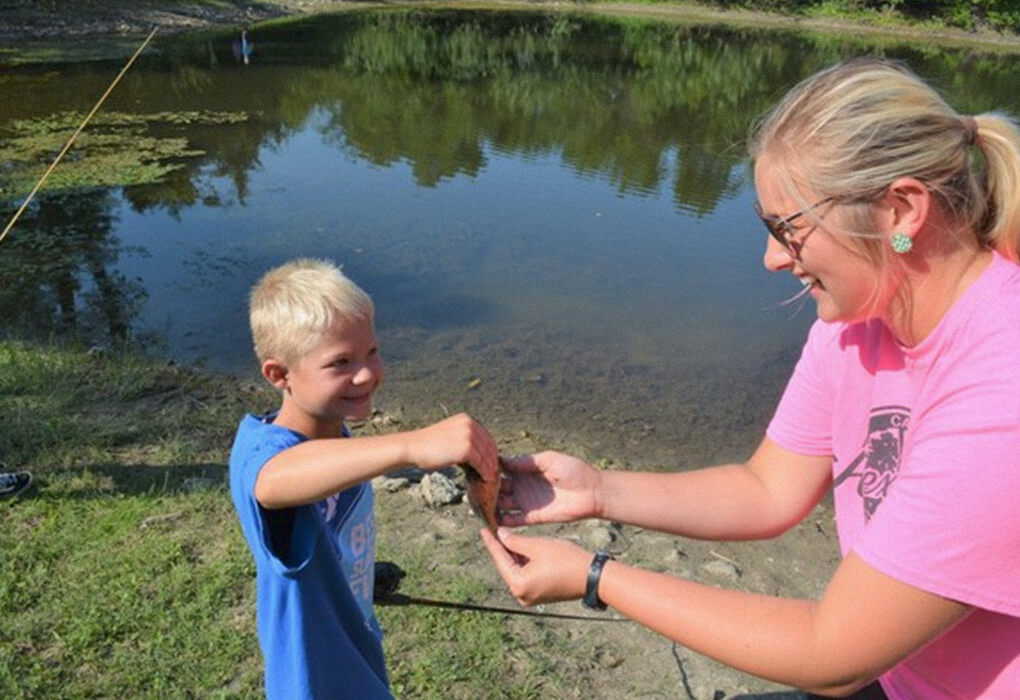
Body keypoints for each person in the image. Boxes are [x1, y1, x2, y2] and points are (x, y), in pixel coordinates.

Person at [481, 57, 1020, 698]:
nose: (770, 259)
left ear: (901, 209)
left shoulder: (1003, 383)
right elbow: (767, 489)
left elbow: (833, 652)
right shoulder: (857, 322)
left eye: (787, 230)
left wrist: (596, 576)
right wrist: (597, 490)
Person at [229, 258, 499, 699]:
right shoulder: (263, 454)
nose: (368, 373)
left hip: (360, 660)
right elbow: (272, 482)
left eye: (372, 351)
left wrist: (358, 576)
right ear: (280, 375)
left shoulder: (334, 431)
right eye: (341, 362)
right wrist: (410, 445)